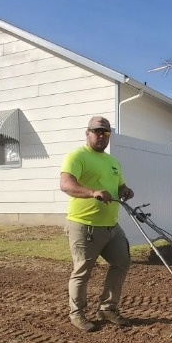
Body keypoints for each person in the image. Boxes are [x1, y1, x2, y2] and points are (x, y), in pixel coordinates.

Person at [59, 116, 135, 332]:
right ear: (87, 133)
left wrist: (125, 190)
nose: (102, 136)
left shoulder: (113, 162)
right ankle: (77, 313)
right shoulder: (77, 156)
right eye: (97, 131)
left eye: (106, 132)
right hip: (84, 225)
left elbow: (119, 185)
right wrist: (92, 192)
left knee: (122, 262)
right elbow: (66, 184)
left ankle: (107, 308)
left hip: (111, 226)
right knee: (82, 271)